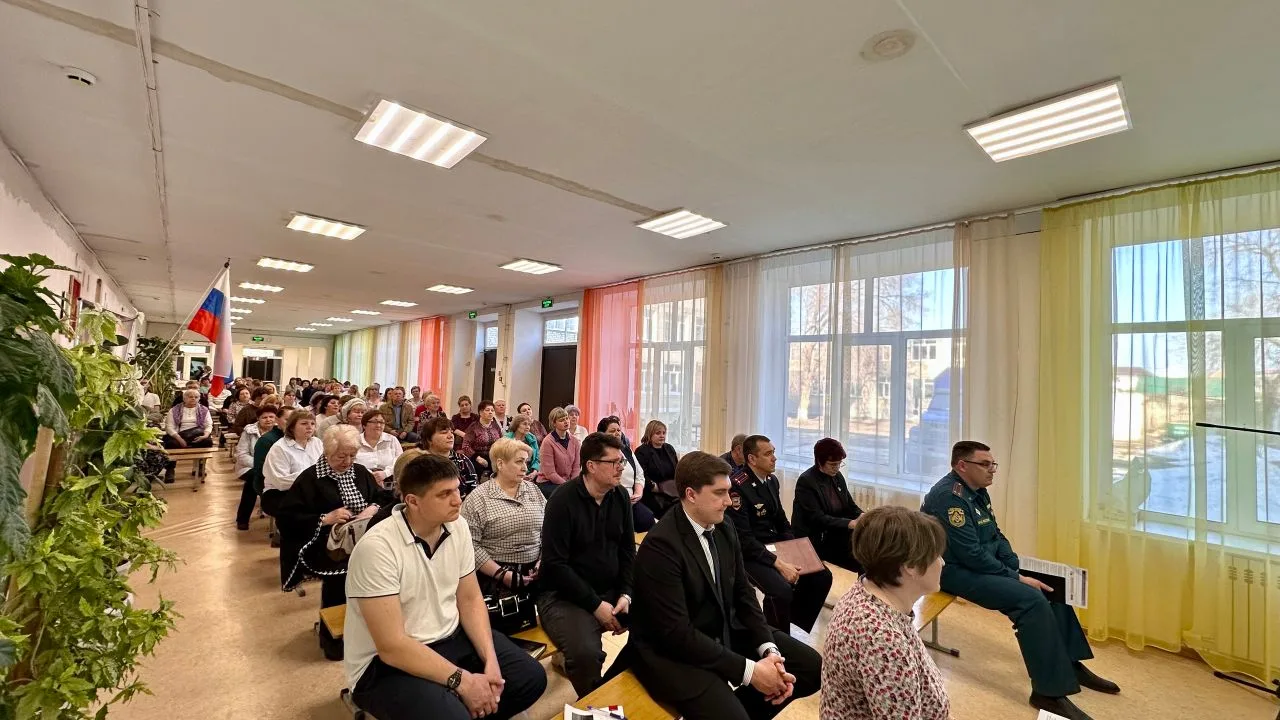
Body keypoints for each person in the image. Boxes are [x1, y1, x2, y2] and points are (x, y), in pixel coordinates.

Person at [920, 441, 1118, 720]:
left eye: (993, 464)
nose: (992, 470)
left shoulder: (977, 491)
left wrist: (1014, 564)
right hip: (951, 570)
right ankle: (1047, 693)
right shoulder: (949, 497)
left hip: (980, 563)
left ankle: (1069, 664)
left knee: (1052, 585)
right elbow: (970, 554)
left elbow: (995, 534)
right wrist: (1017, 577)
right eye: (985, 464)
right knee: (1031, 600)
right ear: (962, 465)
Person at [343, 454, 547, 720]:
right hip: (385, 663)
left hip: (449, 636)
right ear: (412, 501)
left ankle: (468, 705)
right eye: (444, 494)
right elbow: (392, 646)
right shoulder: (377, 548)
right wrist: (463, 682)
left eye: (457, 490)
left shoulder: (457, 525)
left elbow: (470, 599)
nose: (457, 500)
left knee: (530, 678)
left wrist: (491, 661)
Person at [628, 451, 822, 720]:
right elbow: (676, 634)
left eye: (729, 492)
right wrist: (751, 672)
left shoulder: (724, 526)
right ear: (691, 495)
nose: (729, 501)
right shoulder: (661, 546)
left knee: (810, 667)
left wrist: (769, 652)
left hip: (720, 627)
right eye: (719, 493)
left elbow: (743, 593)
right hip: (673, 653)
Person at [820, 506, 950, 720]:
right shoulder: (882, 639)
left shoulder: (867, 593)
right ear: (910, 566)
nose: (942, 562)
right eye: (936, 555)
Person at [537, 432, 635, 697]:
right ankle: (593, 703)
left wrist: (626, 593)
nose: (621, 468)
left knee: (658, 625)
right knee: (586, 654)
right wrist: (595, 605)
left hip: (609, 589)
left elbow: (628, 550)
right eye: (614, 462)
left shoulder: (620, 496)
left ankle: (610, 688)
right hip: (563, 595)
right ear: (591, 466)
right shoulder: (562, 501)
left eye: (622, 461)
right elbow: (555, 565)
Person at [277, 425, 395, 607]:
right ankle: (331, 622)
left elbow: (382, 497)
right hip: (330, 546)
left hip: (365, 540)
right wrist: (325, 519)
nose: (348, 461)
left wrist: (372, 508)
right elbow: (286, 518)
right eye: (341, 456)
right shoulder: (310, 479)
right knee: (338, 590)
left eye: (352, 456)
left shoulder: (360, 472)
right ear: (327, 452)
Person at [728, 435, 833, 634]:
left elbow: (781, 520)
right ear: (752, 459)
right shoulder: (737, 486)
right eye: (768, 454)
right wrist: (777, 562)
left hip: (774, 545)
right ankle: (777, 637)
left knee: (822, 576)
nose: (774, 458)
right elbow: (744, 539)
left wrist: (796, 549)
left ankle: (789, 621)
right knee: (780, 590)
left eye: (774, 452)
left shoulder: (771, 481)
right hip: (749, 553)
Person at [461, 437, 546, 596]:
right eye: (519, 462)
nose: (525, 468)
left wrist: (542, 561)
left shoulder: (534, 490)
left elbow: (548, 531)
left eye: (526, 462)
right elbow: (470, 544)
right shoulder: (478, 498)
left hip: (537, 573)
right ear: (500, 464)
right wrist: (501, 574)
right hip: (495, 577)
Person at [793, 437, 864, 571]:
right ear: (819, 462)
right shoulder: (806, 481)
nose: (836, 468)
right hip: (817, 538)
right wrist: (850, 523)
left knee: (868, 555)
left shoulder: (837, 476)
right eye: (832, 464)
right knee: (862, 561)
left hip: (836, 532)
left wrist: (863, 516)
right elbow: (817, 518)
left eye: (839, 464)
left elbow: (850, 506)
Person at [598, 416, 654, 532]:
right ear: (602, 434)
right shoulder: (598, 454)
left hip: (631, 500)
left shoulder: (627, 451)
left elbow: (639, 474)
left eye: (618, 430)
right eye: (612, 431)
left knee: (648, 519)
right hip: (609, 500)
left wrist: (638, 493)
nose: (617, 433)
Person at [261, 410, 324, 500]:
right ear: (292, 427)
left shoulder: (317, 442)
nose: (309, 427)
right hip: (280, 493)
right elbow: (281, 482)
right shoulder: (279, 448)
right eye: (304, 423)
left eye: (313, 423)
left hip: (310, 489)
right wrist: (311, 477)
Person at [235, 405, 278, 530]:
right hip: (248, 467)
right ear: (258, 419)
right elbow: (241, 455)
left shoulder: (279, 432)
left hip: (274, 467)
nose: (268, 420)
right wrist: (261, 465)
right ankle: (242, 519)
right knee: (253, 480)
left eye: (271, 417)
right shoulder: (249, 432)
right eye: (264, 417)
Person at [162, 389, 213, 482]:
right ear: (184, 398)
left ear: (199, 399)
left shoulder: (204, 410)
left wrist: (205, 435)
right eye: (190, 396)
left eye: (196, 397)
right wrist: (179, 439)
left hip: (197, 435)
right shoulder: (174, 410)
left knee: (207, 441)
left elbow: (209, 425)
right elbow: (169, 427)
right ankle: (170, 470)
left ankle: (200, 466)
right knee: (170, 444)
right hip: (179, 435)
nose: (193, 398)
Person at [422, 416, 480, 496]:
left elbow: (474, 490)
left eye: (452, 432)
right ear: (429, 439)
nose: (450, 436)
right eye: (444, 432)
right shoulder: (421, 464)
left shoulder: (462, 460)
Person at [634, 419, 680, 518]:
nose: (662, 436)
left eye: (664, 433)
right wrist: (658, 488)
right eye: (658, 433)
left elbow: (677, 470)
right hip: (652, 493)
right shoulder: (641, 451)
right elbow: (641, 475)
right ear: (650, 434)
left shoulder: (669, 448)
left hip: (671, 492)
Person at [536, 407, 581, 499]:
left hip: (568, 482)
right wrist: (568, 486)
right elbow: (550, 473)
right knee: (567, 496)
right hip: (548, 482)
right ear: (554, 423)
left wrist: (572, 484)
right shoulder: (548, 442)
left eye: (566, 418)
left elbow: (576, 467)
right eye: (561, 420)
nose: (566, 422)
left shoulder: (575, 441)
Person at [355, 410, 403, 489]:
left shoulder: (392, 440)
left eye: (381, 422)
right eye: (374, 422)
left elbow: (400, 460)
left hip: (389, 481)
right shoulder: (355, 441)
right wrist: (371, 476)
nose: (378, 425)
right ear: (364, 425)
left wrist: (385, 473)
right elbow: (352, 463)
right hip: (362, 482)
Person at [461, 400, 503, 476]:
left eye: (492, 410)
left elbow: (501, 441)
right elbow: (466, 446)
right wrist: (478, 458)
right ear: (480, 412)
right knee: (477, 467)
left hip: (493, 456)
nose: (490, 412)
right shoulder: (474, 427)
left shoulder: (495, 426)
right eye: (487, 410)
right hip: (476, 456)